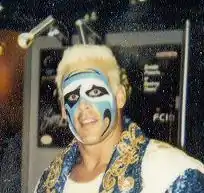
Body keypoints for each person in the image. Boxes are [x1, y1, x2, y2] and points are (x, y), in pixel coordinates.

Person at [35, 44, 204, 193]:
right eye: (72, 97)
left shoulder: (171, 172)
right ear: (64, 111)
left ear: (119, 97)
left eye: (95, 92)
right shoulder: (48, 181)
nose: (83, 105)